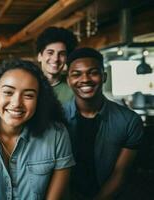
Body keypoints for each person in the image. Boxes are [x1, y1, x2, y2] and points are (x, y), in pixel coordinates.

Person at [0, 59, 75, 199]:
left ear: (39, 100)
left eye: (28, 95)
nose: (16, 103)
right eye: (8, 92)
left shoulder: (57, 134)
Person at [64, 47, 143, 199]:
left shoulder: (129, 121)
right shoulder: (56, 118)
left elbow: (120, 172)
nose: (85, 79)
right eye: (77, 74)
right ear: (68, 80)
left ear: (104, 76)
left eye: (93, 72)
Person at [36, 26, 78, 104]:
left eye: (61, 54)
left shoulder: (73, 89)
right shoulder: (30, 84)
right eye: (50, 53)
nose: (56, 59)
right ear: (39, 56)